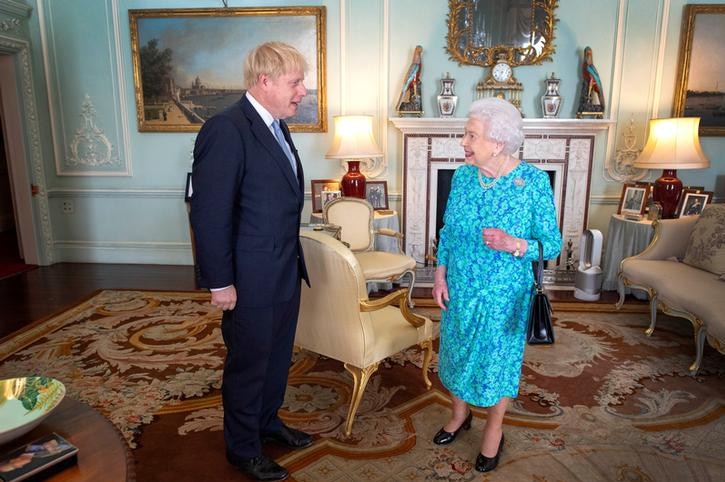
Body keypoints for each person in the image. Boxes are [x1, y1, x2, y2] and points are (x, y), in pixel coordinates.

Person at [190, 41, 311, 482]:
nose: (302, 91)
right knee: (248, 363)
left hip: (283, 271)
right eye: (294, 82)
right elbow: (209, 213)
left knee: (277, 358)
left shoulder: (277, 126)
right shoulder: (225, 129)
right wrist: (220, 282)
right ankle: (242, 449)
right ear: (265, 81)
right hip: (249, 278)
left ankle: (267, 423)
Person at [431, 97, 562, 473]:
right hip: (460, 285)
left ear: (499, 142)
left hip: (504, 293)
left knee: (496, 363)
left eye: (471, 135)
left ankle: (494, 427)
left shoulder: (532, 183)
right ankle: (459, 415)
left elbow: (550, 244)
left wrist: (514, 244)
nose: (463, 142)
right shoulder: (462, 176)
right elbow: (449, 231)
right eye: (465, 133)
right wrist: (440, 273)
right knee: (455, 352)